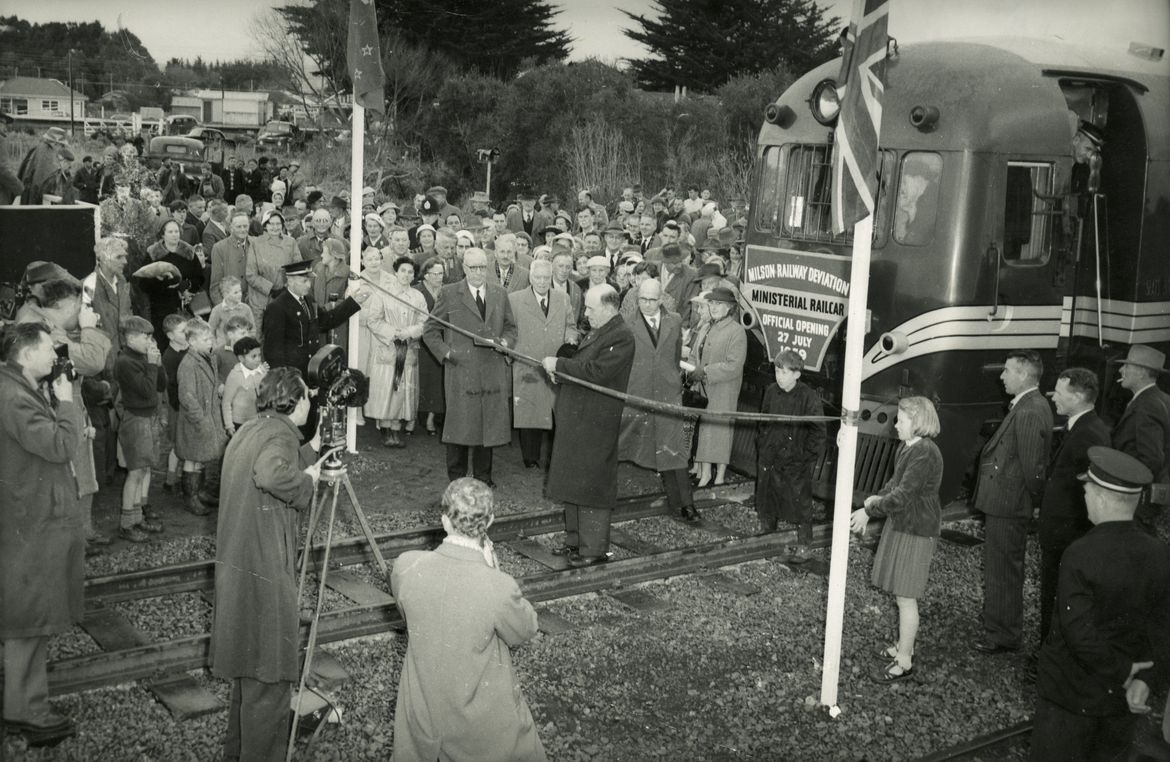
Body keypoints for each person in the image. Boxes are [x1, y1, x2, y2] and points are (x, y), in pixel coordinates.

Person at [390, 478, 548, 762]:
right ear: (490, 521)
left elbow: (413, 615)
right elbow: (525, 629)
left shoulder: (406, 566)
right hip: (478, 724)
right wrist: (493, 571)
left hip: (422, 713)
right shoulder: (498, 586)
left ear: (444, 521)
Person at [210, 368, 322, 762]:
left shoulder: (253, 428)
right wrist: (308, 482)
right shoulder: (280, 436)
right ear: (295, 401)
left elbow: (268, 461)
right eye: (307, 397)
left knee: (250, 673)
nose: (310, 403)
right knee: (271, 675)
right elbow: (270, 473)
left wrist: (312, 451)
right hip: (264, 567)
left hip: (240, 564)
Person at [1030, 447, 1170, 761]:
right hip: (1120, 700)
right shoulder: (1160, 553)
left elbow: (1078, 633)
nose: (1085, 497)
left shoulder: (1080, 554)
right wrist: (1144, 679)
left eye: (1088, 491)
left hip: (1070, 697)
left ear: (1102, 499)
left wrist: (1123, 669)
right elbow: (1162, 627)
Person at [0, 322, 84, 748]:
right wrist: (66, 403)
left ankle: (23, 704)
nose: (55, 356)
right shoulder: (13, 396)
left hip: (28, 518)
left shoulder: (16, 388)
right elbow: (60, 446)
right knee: (29, 621)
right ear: (26, 352)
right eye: (49, 349)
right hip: (29, 523)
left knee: (28, 619)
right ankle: (26, 710)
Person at [16, 270, 112, 552]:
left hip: (69, 403)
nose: (83, 311)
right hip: (58, 409)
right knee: (73, 473)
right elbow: (92, 362)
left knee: (83, 472)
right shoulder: (40, 328)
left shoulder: (44, 322)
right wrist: (89, 329)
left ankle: (83, 532)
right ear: (66, 305)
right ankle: (74, 540)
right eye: (80, 306)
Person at [850, 397, 944, 683]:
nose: (895, 425)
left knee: (905, 597)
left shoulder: (925, 452)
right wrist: (876, 498)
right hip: (904, 524)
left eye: (901, 420)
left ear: (916, 422)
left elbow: (903, 496)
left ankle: (905, 661)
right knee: (901, 594)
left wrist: (869, 510)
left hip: (916, 529)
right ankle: (905, 645)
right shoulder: (909, 447)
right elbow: (895, 484)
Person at [542, 285, 636, 566]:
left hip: (595, 422)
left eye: (591, 308)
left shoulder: (621, 336)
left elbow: (598, 372)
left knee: (592, 485)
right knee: (574, 481)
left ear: (608, 308)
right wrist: (561, 374)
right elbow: (584, 365)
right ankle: (575, 541)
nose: (586, 313)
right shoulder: (601, 330)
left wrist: (559, 365)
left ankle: (593, 550)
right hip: (580, 418)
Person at [972, 349, 1053, 655]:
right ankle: (1001, 625)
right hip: (1007, 503)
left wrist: (1033, 502)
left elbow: (1034, 469)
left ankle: (1003, 635)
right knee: (1003, 568)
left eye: (1007, 370)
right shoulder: (1031, 405)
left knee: (1003, 570)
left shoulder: (1029, 410)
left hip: (1009, 504)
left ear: (1023, 374)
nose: (1002, 375)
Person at [423, 248, 518, 486]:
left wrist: (506, 343)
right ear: (464, 268)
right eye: (473, 267)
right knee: (460, 424)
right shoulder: (449, 293)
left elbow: (510, 327)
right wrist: (446, 354)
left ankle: (483, 477)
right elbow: (430, 330)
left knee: (488, 424)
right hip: (461, 370)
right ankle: (457, 478)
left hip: (491, 369)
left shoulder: (499, 293)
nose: (478, 272)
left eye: (482, 267)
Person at [1038, 367, 1111, 640]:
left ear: (1078, 396)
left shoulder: (1088, 434)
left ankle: (1051, 652)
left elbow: (1088, 492)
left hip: (1068, 535)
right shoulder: (1084, 427)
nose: (1053, 397)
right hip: (1063, 533)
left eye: (1059, 392)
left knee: (1058, 596)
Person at [618, 279, 698, 521]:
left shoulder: (674, 321)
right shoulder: (626, 323)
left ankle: (685, 504)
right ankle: (603, 499)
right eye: (642, 299)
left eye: (652, 300)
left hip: (667, 395)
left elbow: (674, 356)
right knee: (618, 445)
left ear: (661, 299)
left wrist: (672, 381)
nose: (647, 304)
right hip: (636, 395)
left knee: (674, 450)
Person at [262, 260, 366, 437]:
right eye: (304, 281)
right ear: (290, 281)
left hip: (311, 374)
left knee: (310, 422)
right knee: (293, 426)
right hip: (293, 378)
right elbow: (273, 351)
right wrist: (288, 382)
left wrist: (353, 303)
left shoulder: (308, 301)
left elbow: (327, 321)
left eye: (309, 281)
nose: (309, 285)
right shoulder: (277, 307)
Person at [754, 350, 827, 552]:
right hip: (771, 456)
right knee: (768, 497)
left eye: (784, 373)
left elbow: (818, 432)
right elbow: (763, 421)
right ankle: (767, 534)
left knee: (800, 503)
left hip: (795, 461)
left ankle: (804, 544)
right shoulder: (771, 391)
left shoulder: (808, 397)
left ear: (796, 374)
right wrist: (763, 444)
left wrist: (803, 456)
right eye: (777, 372)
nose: (779, 377)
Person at [509, 259, 577, 469]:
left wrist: (570, 338)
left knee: (557, 412)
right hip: (527, 364)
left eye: (546, 278)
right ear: (530, 277)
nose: (542, 281)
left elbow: (571, 325)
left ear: (551, 278)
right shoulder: (514, 299)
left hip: (556, 364)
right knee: (530, 413)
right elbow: (509, 330)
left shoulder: (562, 298)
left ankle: (555, 458)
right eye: (537, 277)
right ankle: (530, 459)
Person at [113, 316, 168, 543]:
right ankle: (126, 524)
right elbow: (146, 391)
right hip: (136, 420)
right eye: (146, 337)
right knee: (135, 472)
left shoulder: (143, 357)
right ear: (131, 338)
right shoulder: (125, 362)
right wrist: (152, 366)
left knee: (144, 469)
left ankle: (136, 518)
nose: (150, 341)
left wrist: (158, 364)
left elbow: (161, 385)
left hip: (148, 418)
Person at [364, 256, 428, 447]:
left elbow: (425, 321)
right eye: (403, 271)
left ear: (414, 276)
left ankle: (396, 429)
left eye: (410, 272)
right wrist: (393, 333)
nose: (406, 275)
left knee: (403, 391)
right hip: (388, 348)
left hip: (408, 348)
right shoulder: (383, 293)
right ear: (396, 272)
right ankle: (385, 428)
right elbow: (373, 320)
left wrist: (409, 332)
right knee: (387, 389)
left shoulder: (418, 297)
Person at [1109, 344, 1170, 535]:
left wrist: (1125, 489)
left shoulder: (1146, 405)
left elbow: (1152, 459)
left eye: (1126, 366)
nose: (1121, 370)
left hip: (1136, 497)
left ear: (1142, 372)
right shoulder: (1161, 398)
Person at [690, 287, 746, 487]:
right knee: (706, 430)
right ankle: (705, 475)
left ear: (729, 307)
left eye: (718, 304)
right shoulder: (710, 327)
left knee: (720, 431)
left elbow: (734, 366)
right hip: (706, 387)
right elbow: (698, 355)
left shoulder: (737, 331)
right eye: (712, 303)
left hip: (724, 389)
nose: (713, 307)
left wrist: (705, 371)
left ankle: (719, 478)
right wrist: (694, 371)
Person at [176, 318, 227, 515]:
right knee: (192, 459)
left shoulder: (208, 358)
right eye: (205, 339)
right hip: (195, 420)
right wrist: (201, 420)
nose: (210, 342)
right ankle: (191, 497)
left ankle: (201, 492)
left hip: (208, 416)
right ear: (191, 342)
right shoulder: (188, 364)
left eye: (210, 338)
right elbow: (187, 397)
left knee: (202, 457)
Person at [246, 210, 300, 328]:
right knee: (258, 333)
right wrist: (270, 288)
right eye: (271, 224)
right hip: (260, 300)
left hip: (284, 297)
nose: (275, 227)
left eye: (278, 223)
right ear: (265, 225)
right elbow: (250, 274)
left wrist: (285, 289)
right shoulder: (256, 243)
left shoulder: (291, 242)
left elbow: (297, 269)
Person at [415, 257, 448, 435]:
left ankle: (431, 418)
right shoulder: (417, 291)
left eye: (441, 273)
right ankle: (417, 415)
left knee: (437, 379)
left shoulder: (447, 291)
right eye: (434, 274)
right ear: (426, 275)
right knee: (422, 379)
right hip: (420, 342)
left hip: (440, 341)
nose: (438, 277)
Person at [17, 125, 67, 204]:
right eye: (62, 145)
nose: (62, 148)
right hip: (37, 202)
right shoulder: (47, 155)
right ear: (55, 143)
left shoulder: (37, 149)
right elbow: (41, 183)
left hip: (28, 197)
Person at [210, 212, 253, 306]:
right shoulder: (219, 248)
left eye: (245, 226)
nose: (243, 230)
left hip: (255, 304)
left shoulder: (256, 244)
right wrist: (224, 308)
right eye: (239, 227)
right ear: (231, 228)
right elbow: (215, 285)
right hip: (231, 304)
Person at [208, 276, 255, 347]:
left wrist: (248, 342)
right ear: (225, 294)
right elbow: (210, 331)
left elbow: (253, 329)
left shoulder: (246, 309)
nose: (240, 294)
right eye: (236, 292)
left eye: (240, 291)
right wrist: (216, 347)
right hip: (223, 348)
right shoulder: (217, 310)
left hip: (242, 347)